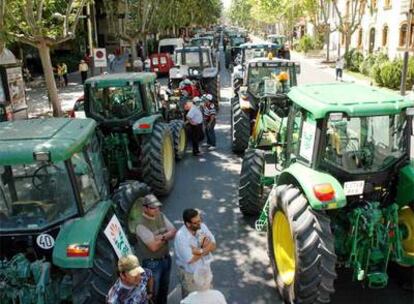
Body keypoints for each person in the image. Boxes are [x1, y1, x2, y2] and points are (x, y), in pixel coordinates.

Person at [136, 194, 177, 304]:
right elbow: (153, 247)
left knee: (164, 289)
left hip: (166, 258)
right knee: (152, 293)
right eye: (153, 207)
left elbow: (173, 231)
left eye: (157, 206)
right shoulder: (140, 225)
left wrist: (160, 237)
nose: (157, 209)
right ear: (145, 208)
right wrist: (166, 236)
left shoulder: (161, 215)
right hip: (152, 264)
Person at [174, 209, 216, 297]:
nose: (199, 224)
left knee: (208, 298)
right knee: (192, 299)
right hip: (191, 276)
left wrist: (198, 251)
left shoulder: (202, 226)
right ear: (188, 224)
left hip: (205, 272)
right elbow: (191, 259)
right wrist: (205, 247)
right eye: (196, 223)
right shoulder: (181, 236)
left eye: (200, 220)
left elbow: (213, 246)